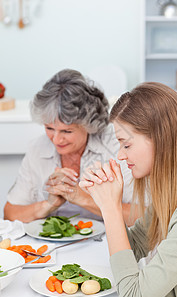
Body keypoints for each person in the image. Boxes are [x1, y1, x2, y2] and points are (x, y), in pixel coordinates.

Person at [79, 82, 177, 297]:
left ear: (162, 139)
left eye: (126, 145)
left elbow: (134, 296)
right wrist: (107, 202)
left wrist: (110, 208)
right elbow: (133, 248)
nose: (120, 156)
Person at [4, 69, 134, 224]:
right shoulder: (37, 149)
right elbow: (10, 213)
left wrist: (81, 198)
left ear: (89, 124)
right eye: (50, 128)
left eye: (67, 131)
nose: (56, 139)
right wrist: (48, 204)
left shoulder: (116, 146)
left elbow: (144, 216)